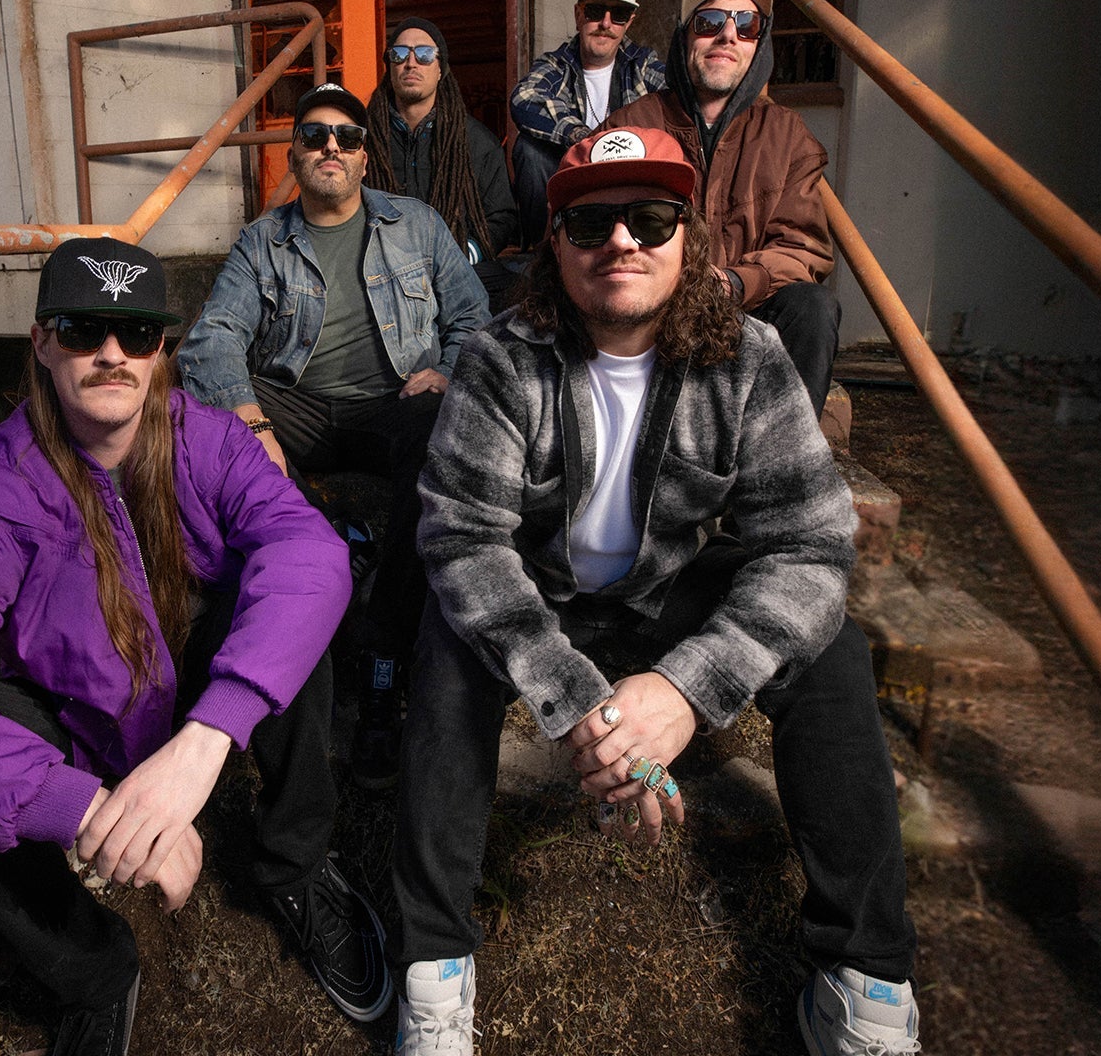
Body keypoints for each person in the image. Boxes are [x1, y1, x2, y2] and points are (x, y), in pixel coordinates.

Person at [387, 126, 920, 1056]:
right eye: (591, 223)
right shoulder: (499, 357)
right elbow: (464, 539)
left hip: (669, 590)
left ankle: (864, 976)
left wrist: (684, 692)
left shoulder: (748, 357)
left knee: (830, 647)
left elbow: (809, 543)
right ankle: (433, 962)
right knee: (449, 639)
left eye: (650, 218)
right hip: (546, 594)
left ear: (688, 236)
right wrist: (578, 705)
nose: (622, 242)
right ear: (555, 244)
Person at [0, 237, 392, 1056]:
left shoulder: (211, 441)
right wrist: (79, 806)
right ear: (43, 342)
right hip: (81, 717)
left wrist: (207, 738)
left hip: (190, 693)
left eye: (138, 333)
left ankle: (296, 869)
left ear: (162, 350)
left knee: (287, 617)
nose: (113, 353)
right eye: (85, 329)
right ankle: (91, 970)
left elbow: (310, 551)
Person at [177, 83, 489, 792]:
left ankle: (383, 642)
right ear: (294, 154)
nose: (331, 148)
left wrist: (445, 369)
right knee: (201, 417)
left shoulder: (416, 225)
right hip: (297, 405)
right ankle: (317, 554)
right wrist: (255, 421)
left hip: (393, 401)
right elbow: (213, 339)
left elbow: (474, 317)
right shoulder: (263, 241)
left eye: (347, 138)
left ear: (364, 157)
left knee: (444, 429)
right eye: (315, 135)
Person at [605, 0, 840, 416]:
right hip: (656, 312)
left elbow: (802, 248)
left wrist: (733, 282)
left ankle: (782, 450)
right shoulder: (630, 126)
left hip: (746, 307)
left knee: (812, 308)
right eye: (710, 22)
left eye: (746, 25)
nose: (728, 36)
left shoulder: (787, 134)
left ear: (758, 45)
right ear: (685, 38)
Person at [364, 18, 522, 310]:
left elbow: (501, 215)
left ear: (440, 69)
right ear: (390, 67)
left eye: (424, 54)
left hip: (453, 271)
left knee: (518, 288)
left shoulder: (475, 142)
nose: (411, 63)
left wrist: (463, 256)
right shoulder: (363, 139)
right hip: (381, 274)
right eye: (400, 54)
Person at [509, 0, 666, 248]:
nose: (606, 23)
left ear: (629, 22)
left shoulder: (641, 64)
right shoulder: (558, 64)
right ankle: (541, 252)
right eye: (595, 11)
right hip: (574, 180)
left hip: (628, 180)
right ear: (578, 15)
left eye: (618, 14)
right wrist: (582, 138)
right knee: (528, 149)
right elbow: (524, 97)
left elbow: (680, 97)